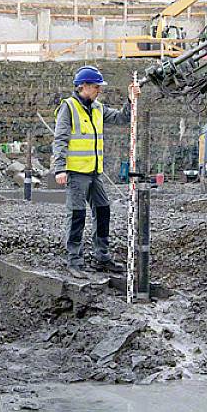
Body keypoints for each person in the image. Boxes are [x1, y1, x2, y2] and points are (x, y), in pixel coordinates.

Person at [52, 65, 141, 278]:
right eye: (96, 87)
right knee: (77, 215)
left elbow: (122, 118)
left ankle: (102, 256)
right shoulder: (69, 107)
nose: (99, 90)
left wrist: (130, 100)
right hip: (75, 173)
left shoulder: (98, 108)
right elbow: (60, 139)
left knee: (103, 210)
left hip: (94, 172)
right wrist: (60, 168)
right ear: (83, 86)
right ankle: (74, 261)